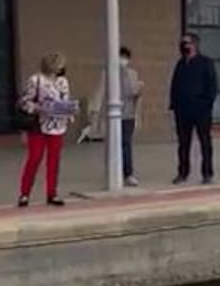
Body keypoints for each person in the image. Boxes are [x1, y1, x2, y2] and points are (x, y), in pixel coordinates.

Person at [17, 52, 75, 207]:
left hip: (57, 125)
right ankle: (24, 193)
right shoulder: (36, 80)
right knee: (34, 158)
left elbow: (65, 100)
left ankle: (52, 193)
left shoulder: (63, 82)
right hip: (39, 125)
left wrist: (69, 110)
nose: (61, 68)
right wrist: (39, 109)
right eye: (59, 65)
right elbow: (24, 102)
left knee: (54, 161)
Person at [88, 46, 144, 185]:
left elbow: (135, 94)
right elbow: (100, 92)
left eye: (125, 57)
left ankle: (128, 173)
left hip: (128, 114)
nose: (123, 60)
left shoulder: (132, 73)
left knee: (126, 144)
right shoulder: (107, 73)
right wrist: (95, 112)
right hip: (111, 115)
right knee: (112, 144)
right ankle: (113, 172)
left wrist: (139, 91)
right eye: (120, 57)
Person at [169, 32, 218, 185]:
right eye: (183, 43)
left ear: (195, 45)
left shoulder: (206, 62)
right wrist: (174, 105)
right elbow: (174, 85)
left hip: (201, 109)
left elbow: (212, 85)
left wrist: (206, 103)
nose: (184, 46)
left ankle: (207, 172)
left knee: (205, 141)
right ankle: (183, 172)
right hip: (182, 109)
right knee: (183, 143)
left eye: (188, 43)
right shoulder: (180, 64)